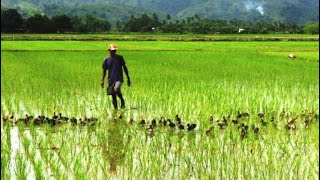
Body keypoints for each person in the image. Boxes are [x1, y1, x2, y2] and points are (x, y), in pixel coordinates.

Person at [101, 44, 130, 110]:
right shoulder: (106, 60)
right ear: (109, 50)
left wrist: (128, 77)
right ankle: (116, 110)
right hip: (110, 79)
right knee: (113, 95)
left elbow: (125, 68)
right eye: (112, 50)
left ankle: (122, 100)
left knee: (116, 89)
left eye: (114, 50)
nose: (114, 51)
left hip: (119, 78)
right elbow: (104, 71)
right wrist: (102, 80)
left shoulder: (120, 58)